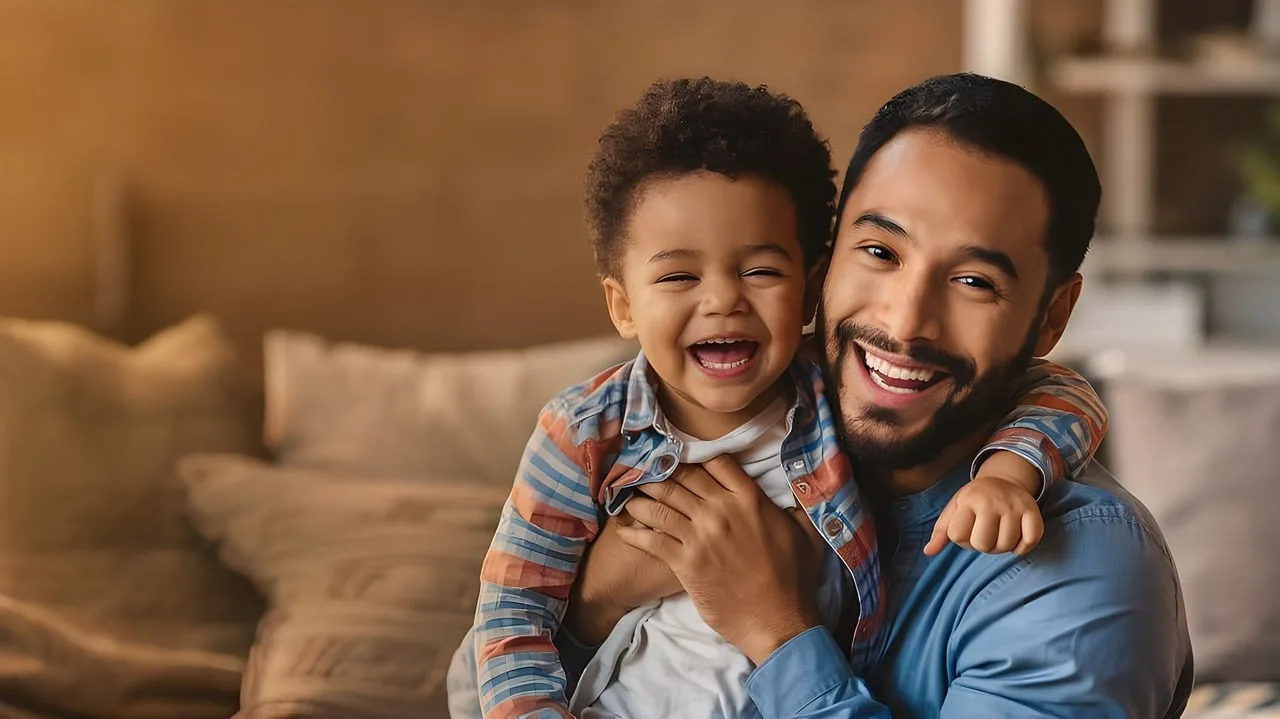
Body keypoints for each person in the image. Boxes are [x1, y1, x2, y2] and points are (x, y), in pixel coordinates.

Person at [452, 77, 1112, 719]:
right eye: (680, 274)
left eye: (760, 270)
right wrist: (598, 598)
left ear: (807, 287)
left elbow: (1059, 389)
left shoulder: (828, 393)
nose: (722, 301)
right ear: (623, 304)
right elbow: (508, 615)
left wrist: (1008, 474)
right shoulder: (584, 433)